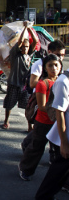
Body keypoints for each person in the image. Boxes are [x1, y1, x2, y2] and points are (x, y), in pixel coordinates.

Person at [18, 54, 61, 181]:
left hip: (58, 122)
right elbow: (42, 106)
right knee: (37, 148)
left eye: (56, 65)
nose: (53, 68)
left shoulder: (62, 82)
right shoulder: (42, 84)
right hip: (44, 122)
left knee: (60, 150)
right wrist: (59, 111)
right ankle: (25, 169)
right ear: (45, 68)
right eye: (50, 65)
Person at [35, 65, 69, 199]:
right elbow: (59, 112)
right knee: (58, 172)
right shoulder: (63, 81)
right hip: (65, 135)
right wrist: (64, 143)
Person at [2, 21, 38, 130]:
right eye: (23, 47)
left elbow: (35, 41)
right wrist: (24, 29)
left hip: (25, 85)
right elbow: (20, 41)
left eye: (26, 47)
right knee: (9, 103)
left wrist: (30, 29)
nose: (24, 48)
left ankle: (29, 125)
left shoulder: (29, 55)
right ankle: (6, 121)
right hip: (14, 83)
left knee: (28, 105)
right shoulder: (15, 54)